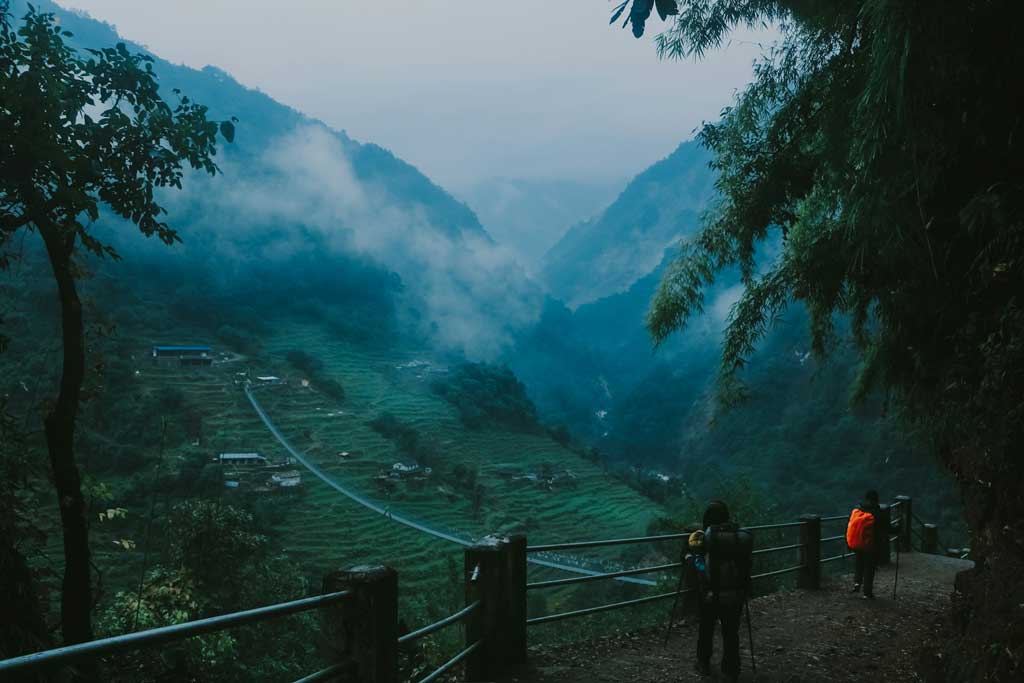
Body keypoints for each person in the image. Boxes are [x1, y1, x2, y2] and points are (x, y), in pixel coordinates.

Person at [684, 500, 753, 681]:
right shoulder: (739, 537)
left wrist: (688, 556)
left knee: (706, 629)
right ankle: (731, 671)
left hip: (711, 595)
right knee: (731, 633)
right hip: (735, 595)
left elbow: (700, 565)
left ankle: (703, 663)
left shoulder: (706, 538)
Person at [847, 489, 881, 599]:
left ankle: (857, 583)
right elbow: (885, 528)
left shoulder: (858, 509)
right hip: (870, 545)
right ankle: (867, 592)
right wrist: (897, 529)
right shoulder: (876, 512)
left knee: (859, 562)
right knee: (869, 567)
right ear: (876, 500)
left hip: (858, 543)